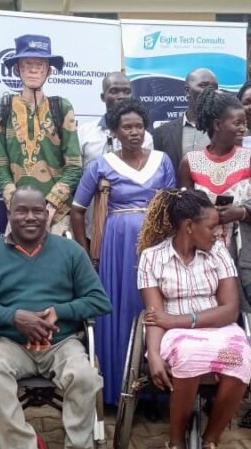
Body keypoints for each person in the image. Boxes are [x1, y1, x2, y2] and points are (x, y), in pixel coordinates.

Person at [0, 186, 112, 449]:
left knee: (85, 376)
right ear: (9, 214)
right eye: (21, 210)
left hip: (62, 343)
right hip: (12, 343)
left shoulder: (70, 251)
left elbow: (99, 301)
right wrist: (13, 317)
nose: (30, 217)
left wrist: (60, 311)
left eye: (37, 211)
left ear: (47, 214)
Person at [136, 188, 251, 449]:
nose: (217, 233)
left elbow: (230, 310)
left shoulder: (218, 253)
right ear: (189, 226)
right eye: (212, 227)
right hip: (173, 336)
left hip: (217, 327)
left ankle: (211, 439)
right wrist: (153, 355)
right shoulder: (152, 258)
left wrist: (180, 320)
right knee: (188, 356)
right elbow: (155, 317)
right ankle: (175, 442)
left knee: (241, 358)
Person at [71, 99, 176, 406]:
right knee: (121, 309)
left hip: (156, 244)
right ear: (114, 132)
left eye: (139, 126)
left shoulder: (162, 161)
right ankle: (119, 390)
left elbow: (172, 204)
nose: (134, 132)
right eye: (127, 127)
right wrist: (85, 253)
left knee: (154, 306)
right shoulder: (101, 165)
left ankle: (156, 395)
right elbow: (77, 209)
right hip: (117, 249)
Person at [0, 34, 82, 234]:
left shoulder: (62, 107)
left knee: (58, 255)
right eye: (27, 64)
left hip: (57, 216)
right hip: (18, 216)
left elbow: (74, 166)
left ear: (48, 71)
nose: (33, 70)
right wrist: (16, 205)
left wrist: (52, 204)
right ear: (17, 69)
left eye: (40, 65)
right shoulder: (4, 108)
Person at [178, 88, 251, 244]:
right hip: (204, 250)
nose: (243, 129)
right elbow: (184, 215)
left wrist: (242, 213)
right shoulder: (190, 162)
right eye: (237, 123)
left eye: (244, 124)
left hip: (247, 249)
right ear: (217, 125)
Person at [77, 71, 153, 165]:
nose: (122, 96)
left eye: (127, 92)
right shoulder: (84, 132)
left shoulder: (145, 137)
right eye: (114, 91)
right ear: (103, 97)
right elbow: (75, 169)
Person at [152, 68, 218, 173]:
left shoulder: (223, 130)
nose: (211, 91)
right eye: (203, 86)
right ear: (187, 91)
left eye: (214, 87)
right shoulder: (162, 133)